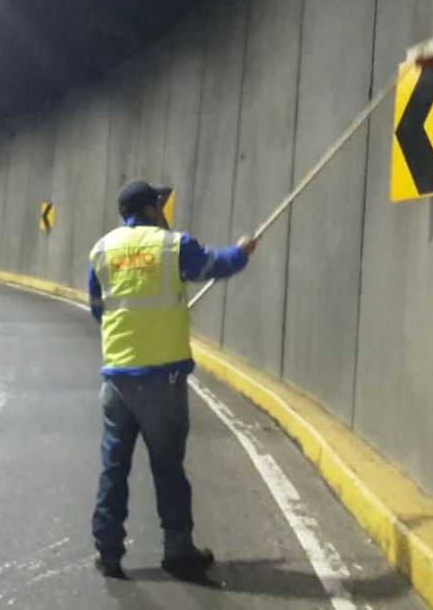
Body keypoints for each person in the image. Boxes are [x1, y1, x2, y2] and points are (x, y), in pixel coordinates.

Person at [88, 179, 257, 579]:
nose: (163, 211)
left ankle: (108, 552)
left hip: (116, 381)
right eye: (159, 205)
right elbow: (217, 265)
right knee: (168, 468)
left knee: (114, 466)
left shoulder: (102, 250)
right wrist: (243, 251)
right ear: (150, 210)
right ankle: (178, 550)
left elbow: (99, 310)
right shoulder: (172, 245)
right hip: (161, 382)